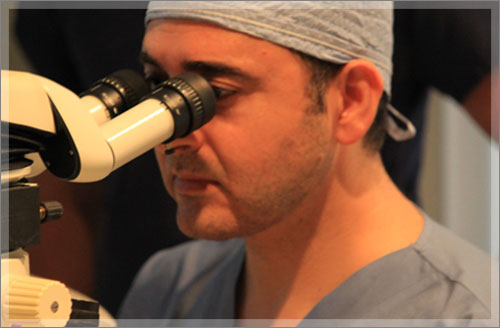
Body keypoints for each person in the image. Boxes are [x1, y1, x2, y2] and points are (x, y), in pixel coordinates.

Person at [117, 1, 493, 324]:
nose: (171, 134)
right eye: (158, 84)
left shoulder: (468, 315)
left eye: (214, 94)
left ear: (351, 100)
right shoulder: (167, 291)